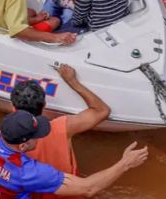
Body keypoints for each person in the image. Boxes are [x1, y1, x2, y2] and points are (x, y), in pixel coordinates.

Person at [0, 105, 149, 197]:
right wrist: (125, 163)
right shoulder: (26, 172)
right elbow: (88, 188)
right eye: (36, 135)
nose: (41, 136)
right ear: (22, 146)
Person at [10, 64, 112, 195]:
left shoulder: (6, 138)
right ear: (44, 105)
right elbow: (102, 110)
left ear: (13, 107)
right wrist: (72, 81)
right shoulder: (63, 126)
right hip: (70, 193)